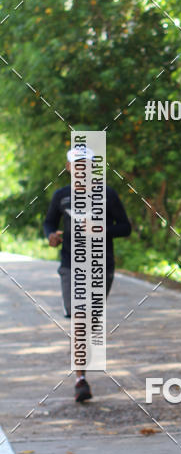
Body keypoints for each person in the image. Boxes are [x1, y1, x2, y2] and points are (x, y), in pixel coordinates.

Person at [43, 145, 131, 403]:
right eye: (77, 164)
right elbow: (49, 222)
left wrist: (100, 229)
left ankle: (82, 364)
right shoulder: (61, 196)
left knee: (90, 320)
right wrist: (51, 235)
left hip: (102, 266)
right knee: (80, 319)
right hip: (71, 265)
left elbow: (125, 227)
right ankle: (81, 379)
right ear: (69, 167)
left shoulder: (108, 194)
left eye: (87, 164)